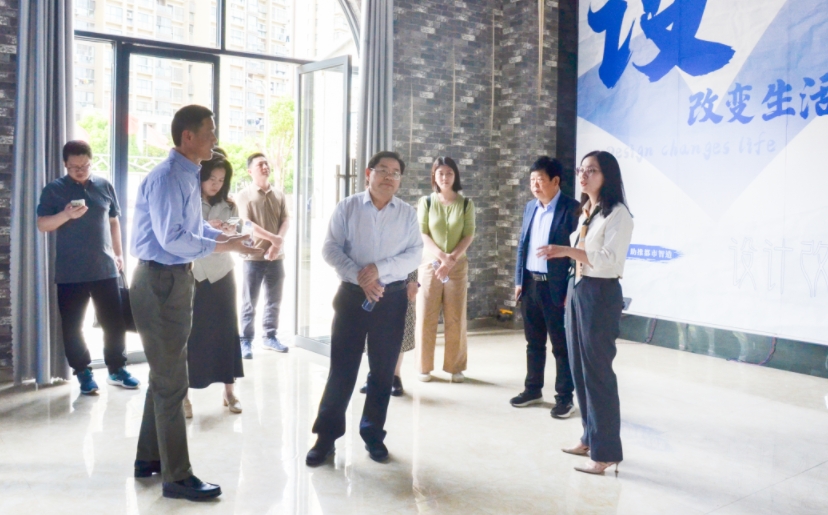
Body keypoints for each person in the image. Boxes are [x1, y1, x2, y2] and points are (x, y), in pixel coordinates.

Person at [129, 105, 262, 501]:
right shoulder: (169, 177)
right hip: (160, 280)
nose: (215, 139)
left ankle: (148, 458)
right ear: (188, 136)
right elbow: (172, 239)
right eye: (210, 132)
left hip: (173, 278)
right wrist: (226, 246)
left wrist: (229, 239)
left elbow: (193, 227)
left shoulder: (187, 174)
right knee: (172, 381)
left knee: (164, 375)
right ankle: (178, 476)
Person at [306, 151, 423, 466]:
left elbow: (415, 254)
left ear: (400, 180)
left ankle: (373, 435)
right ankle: (325, 438)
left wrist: (378, 270)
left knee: (383, 373)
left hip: (391, 300)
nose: (389, 177)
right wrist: (360, 275)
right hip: (351, 297)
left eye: (395, 172)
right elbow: (330, 248)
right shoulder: (348, 207)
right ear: (368, 174)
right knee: (342, 371)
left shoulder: (407, 214)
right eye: (383, 170)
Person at [536, 150, 633, 475]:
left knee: (598, 374)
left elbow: (607, 260)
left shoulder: (618, 214)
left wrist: (565, 250)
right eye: (581, 170)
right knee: (579, 369)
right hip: (578, 288)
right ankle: (590, 438)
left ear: (607, 176)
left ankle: (606, 453)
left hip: (600, 294)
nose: (583, 175)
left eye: (591, 170)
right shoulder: (587, 212)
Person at [36, 140, 138, 394]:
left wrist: (118, 254)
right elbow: (42, 224)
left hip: (105, 268)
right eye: (74, 167)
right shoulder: (54, 190)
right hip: (70, 272)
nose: (80, 171)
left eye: (85, 165)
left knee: (114, 323)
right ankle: (83, 372)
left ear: (91, 162)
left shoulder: (104, 185)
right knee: (73, 327)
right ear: (65, 164)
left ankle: (117, 369)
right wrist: (66, 215)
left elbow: (113, 222)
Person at [509, 156, 580, 419]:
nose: (535, 186)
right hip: (530, 285)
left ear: (555, 181)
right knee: (533, 343)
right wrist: (519, 281)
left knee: (561, 346)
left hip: (557, 288)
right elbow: (523, 245)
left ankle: (564, 398)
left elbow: (578, 252)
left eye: (540, 180)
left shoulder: (572, 209)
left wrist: (571, 289)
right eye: (532, 181)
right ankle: (533, 389)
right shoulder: (531, 207)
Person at [184, 152, 245, 418]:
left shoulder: (229, 204)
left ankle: (229, 392)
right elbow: (182, 236)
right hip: (195, 274)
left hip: (222, 274)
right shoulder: (188, 202)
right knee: (191, 334)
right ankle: (184, 395)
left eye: (221, 180)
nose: (215, 184)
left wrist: (231, 233)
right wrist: (206, 227)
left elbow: (237, 235)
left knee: (226, 332)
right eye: (211, 178)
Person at [415, 156, 475, 383]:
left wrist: (450, 261)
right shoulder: (426, 202)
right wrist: (442, 258)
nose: (445, 177)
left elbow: (468, 234)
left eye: (449, 173)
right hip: (430, 265)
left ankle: (455, 367)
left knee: (455, 316)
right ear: (434, 176)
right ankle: (423, 367)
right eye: (440, 173)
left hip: (457, 267)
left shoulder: (466, 203)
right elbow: (423, 234)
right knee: (426, 315)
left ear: (455, 175)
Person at [235, 153, 291, 358]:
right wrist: (274, 239)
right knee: (249, 301)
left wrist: (277, 244)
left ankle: (270, 336)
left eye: (266, 163)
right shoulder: (244, 195)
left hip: (276, 257)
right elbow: (246, 223)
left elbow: (286, 220)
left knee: (274, 300)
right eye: (260, 164)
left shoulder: (279, 194)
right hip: (253, 256)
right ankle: (245, 340)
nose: (265, 166)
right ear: (250, 171)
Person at [359, 270, 418, 397]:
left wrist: (413, 281)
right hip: (371, 281)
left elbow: (413, 257)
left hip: (400, 280)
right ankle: (373, 375)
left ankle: (395, 376)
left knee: (399, 329)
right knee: (371, 327)